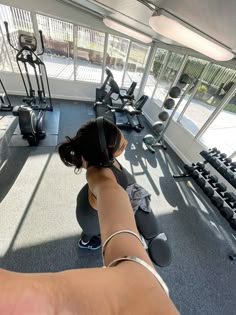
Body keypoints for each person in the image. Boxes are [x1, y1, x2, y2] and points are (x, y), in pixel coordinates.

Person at [0, 164, 179, 314]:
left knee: (92, 233)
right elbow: (120, 220)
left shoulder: (95, 188)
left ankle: (85, 241)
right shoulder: (114, 188)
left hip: (86, 218)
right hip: (95, 222)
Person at [58, 118, 136, 250]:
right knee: (89, 233)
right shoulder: (98, 176)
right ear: (105, 153)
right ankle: (84, 243)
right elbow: (107, 190)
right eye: (122, 146)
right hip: (90, 218)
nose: (126, 143)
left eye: (123, 138)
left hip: (86, 200)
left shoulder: (92, 155)